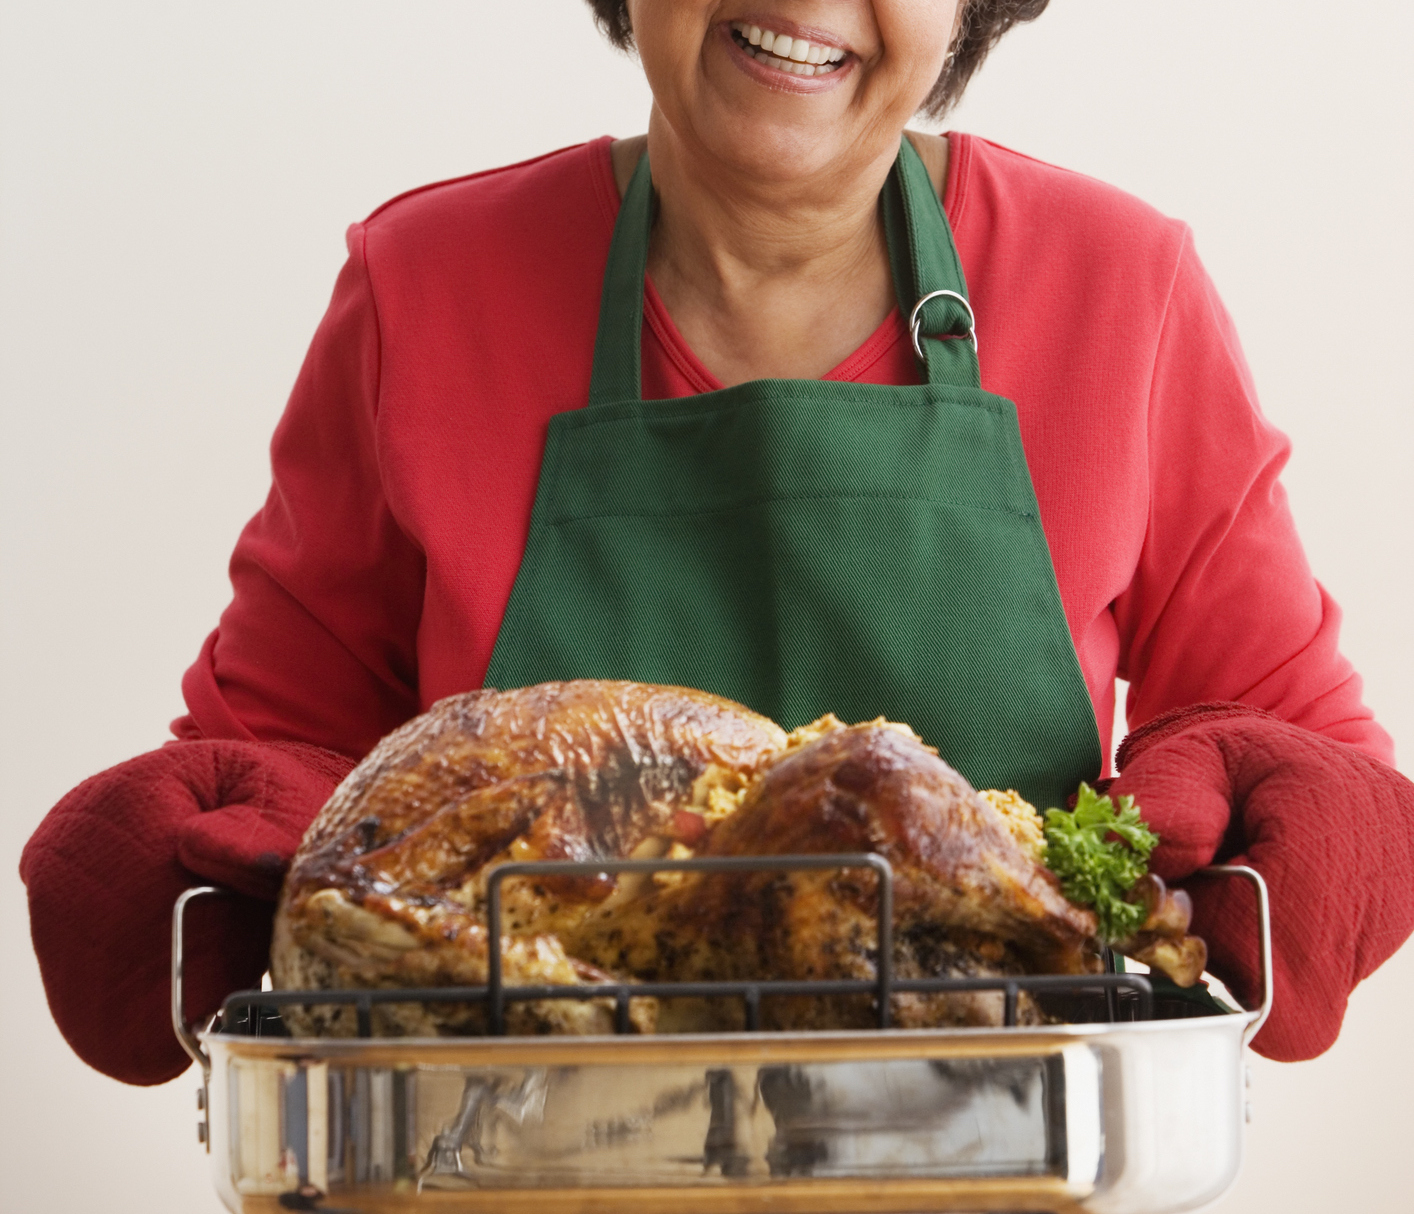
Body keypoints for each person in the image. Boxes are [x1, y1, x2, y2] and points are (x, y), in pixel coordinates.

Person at [21, 0, 1414, 1085]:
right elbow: (290, 768)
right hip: (504, 1180)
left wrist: (1274, 807)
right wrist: (194, 844)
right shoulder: (424, 289)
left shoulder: (1119, 289)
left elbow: (1298, 748)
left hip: (984, 1160)